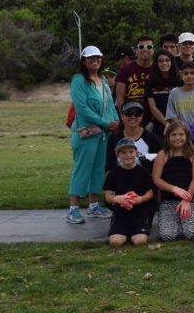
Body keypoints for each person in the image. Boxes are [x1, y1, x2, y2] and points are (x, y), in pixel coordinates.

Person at [68, 46, 118, 224]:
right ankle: (73, 209)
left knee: (98, 168)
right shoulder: (79, 80)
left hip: (103, 134)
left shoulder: (102, 79)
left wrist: (115, 121)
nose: (95, 60)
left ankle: (94, 205)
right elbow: (82, 109)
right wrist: (106, 123)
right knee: (82, 168)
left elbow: (110, 104)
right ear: (84, 61)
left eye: (98, 57)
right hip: (86, 132)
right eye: (91, 58)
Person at [152, 122, 194, 242]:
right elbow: (156, 179)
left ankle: (183, 224)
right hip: (168, 201)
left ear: (187, 136)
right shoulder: (162, 154)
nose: (177, 138)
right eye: (173, 135)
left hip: (189, 200)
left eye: (181, 134)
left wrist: (186, 199)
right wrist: (174, 188)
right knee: (167, 236)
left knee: (192, 234)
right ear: (168, 137)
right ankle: (177, 224)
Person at [104, 137, 155, 247]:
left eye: (131, 151)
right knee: (116, 242)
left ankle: (136, 231)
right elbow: (108, 196)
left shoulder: (144, 172)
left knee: (140, 241)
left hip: (139, 213)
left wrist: (140, 199)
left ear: (136, 152)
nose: (128, 155)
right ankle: (120, 230)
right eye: (123, 152)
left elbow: (150, 193)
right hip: (120, 213)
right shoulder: (112, 174)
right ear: (117, 155)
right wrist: (118, 198)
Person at [105, 101, 161, 172]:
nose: (133, 117)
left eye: (137, 113)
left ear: (141, 116)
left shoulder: (152, 138)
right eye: (128, 113)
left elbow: (157, 163)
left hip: (145, 180)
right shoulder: (113, 139)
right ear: (122, 116)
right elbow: (109, 167)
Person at [145, 50, 180, 137]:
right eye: (160, 61)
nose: (164, 63)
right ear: (156, 63)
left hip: (179, 124)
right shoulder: (151, 81)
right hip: (159, 123)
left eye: (167, 60)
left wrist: (176, 124)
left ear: (172, 62)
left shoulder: (179, 81)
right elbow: (153, 108)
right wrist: (166, 123)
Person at [115, 35, 154, 113]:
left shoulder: (157, 69)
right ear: (136, 50)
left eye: (149, 46)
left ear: (153, 50)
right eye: (141, 47)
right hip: (131, 117)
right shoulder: (125, 70)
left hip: (154, 118)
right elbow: (120, 98)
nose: (145, 49)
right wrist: (125, 118)